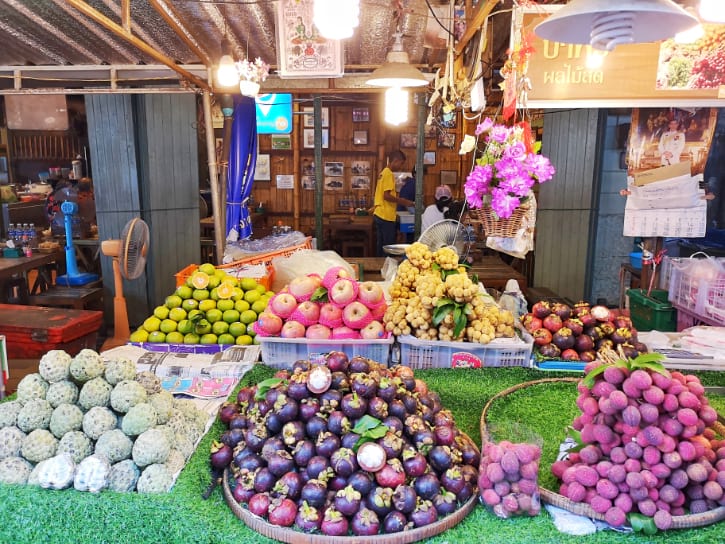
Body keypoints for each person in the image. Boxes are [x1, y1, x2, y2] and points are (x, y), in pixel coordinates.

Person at [373, 149, 414, 256]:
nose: (401, 166)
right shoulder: (388, 174)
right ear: (395, 161)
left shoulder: (383, 173)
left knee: (381, 245)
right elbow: (386, 196)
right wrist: (403, 201)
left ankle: (380, 268)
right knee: (388, 247)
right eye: (401, 163)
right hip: (385, 216)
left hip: (380, 214)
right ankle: (386, 268)